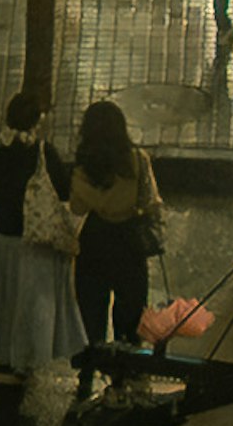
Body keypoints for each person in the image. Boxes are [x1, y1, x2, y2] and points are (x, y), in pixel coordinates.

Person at [64, 98, 162, 384]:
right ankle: (125, 371)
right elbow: (151, 200)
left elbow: (77, 208)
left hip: (94, 240)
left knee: (92, 309)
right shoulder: (137, 160)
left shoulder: (82, 168)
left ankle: (88, 371)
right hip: (129, 240)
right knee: (130, 310)